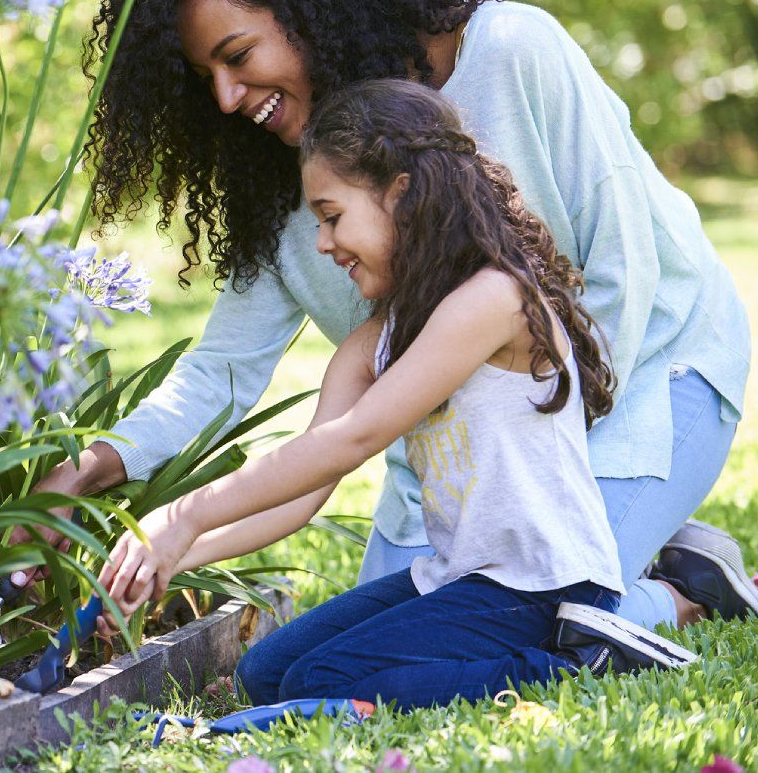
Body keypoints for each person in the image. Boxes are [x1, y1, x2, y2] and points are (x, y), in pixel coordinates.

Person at [9, 0, 758, 631]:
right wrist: (91, 467)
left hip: (650, 378)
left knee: (537, 618)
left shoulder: (507, 51)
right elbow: (221, 372)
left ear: (308, 9)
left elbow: (623, 271)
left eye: (238, 57)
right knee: (387, 632)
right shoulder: (289, 188)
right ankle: (660, 553)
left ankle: (679, 593)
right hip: (463, 453)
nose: (228, 97)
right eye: (206, 78)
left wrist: (548, 481)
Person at [97, 80, 698, 709]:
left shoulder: (495, 299)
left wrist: (183, 514)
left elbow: (354, 439)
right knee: (266, 675)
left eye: (332, 216)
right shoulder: (374, 340)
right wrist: (173, 557)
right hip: (458, 579)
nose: (323, 242)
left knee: (318, 684)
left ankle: (590, 662)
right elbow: (304, 488)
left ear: (401, 194)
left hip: (544, 589)